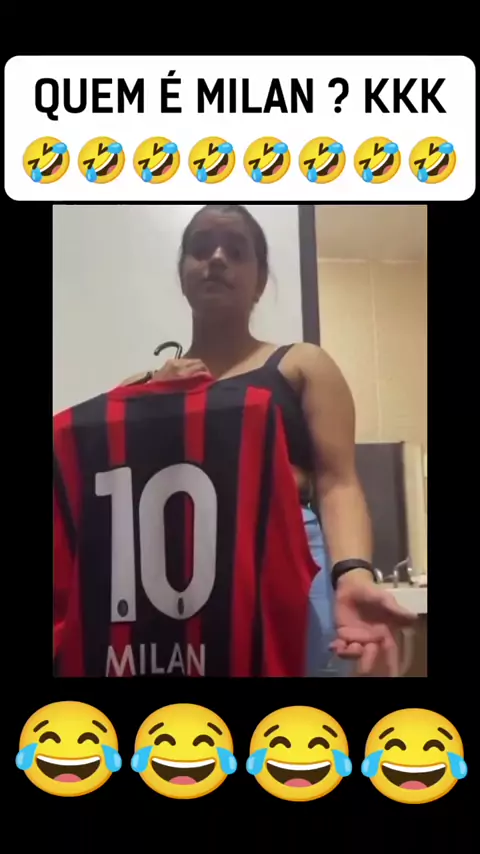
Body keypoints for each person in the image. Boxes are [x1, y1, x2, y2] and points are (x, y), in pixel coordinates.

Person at [122, 204, 416, 676]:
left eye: (236, 251)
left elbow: (338, 482)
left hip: (289, 565)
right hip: (173, 576)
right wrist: (156, 397)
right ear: (183, 273)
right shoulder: (140, 388)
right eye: (201, 248)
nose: (217, 259)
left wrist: (353, 574)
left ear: (260, 281)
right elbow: (119, 501)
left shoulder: (301, 364)